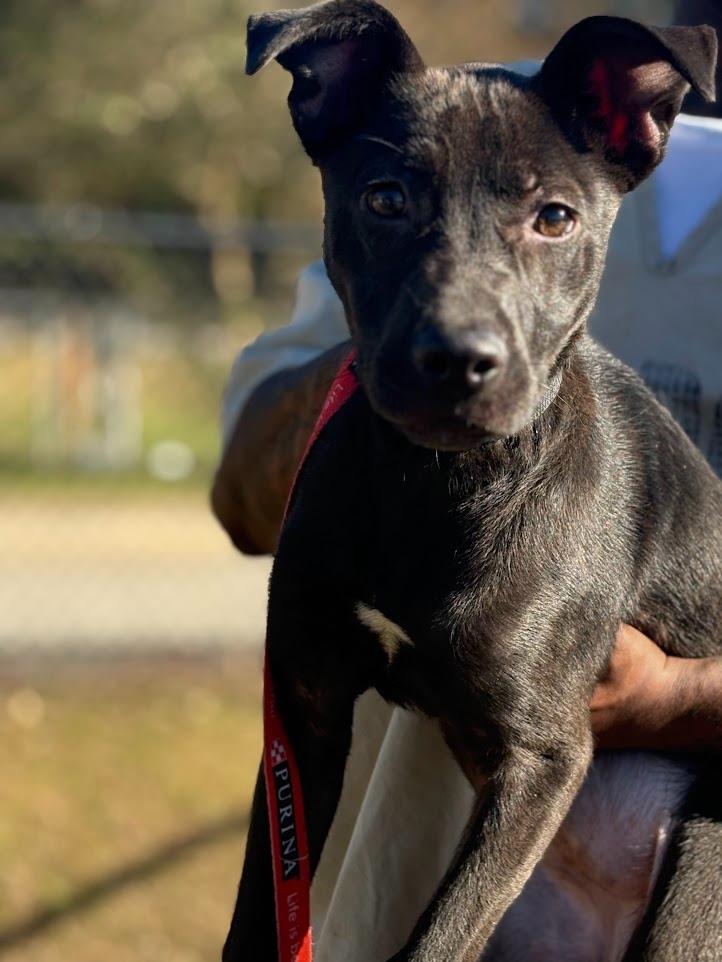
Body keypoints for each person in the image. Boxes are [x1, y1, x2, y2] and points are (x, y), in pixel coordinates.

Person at [212, 2, 722, 958]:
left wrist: (675, 694)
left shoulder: (579, 121)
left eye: (549, 218)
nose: (466, 316)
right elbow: (240, 484)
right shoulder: (444, 108)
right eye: (394, 202)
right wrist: (373, 369)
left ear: (642, 123)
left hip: (689, 852)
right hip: (411, 875)